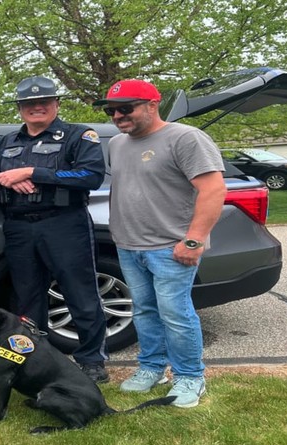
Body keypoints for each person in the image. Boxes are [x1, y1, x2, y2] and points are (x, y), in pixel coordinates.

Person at [94, 79, 226, 408]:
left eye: (126, 108)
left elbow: (214, 190)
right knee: (144, 311)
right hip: (128, 245)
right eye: (112, 110)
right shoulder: (117, 145)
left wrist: (193, 241)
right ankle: (152, 368)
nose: (118, 116)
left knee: (176, 313)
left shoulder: (185, 138)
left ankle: (190, 377)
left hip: (171, 246)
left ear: (153, 105)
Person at [0, 76, 110, 383]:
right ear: (20, 108)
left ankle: (91, 360)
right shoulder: (7, 142)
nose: (36, 108)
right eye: (29, 104)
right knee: (27, 298)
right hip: (19, 227)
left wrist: (34, 172)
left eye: (43, 102)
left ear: (56, 104)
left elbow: (90, 176)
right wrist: (6, 176)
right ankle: (37, 359)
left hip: (64, 224)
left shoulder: (79, 135)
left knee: (80, 293)